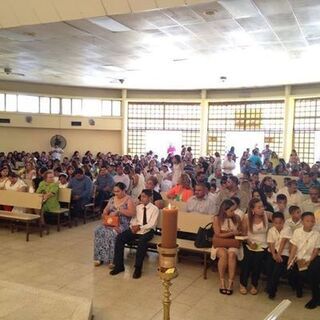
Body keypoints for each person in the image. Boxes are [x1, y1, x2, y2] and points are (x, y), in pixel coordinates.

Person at [111, 189, 159, 278]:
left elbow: (152, 224)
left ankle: (138, 268)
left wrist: (140, 227)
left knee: (142, 242)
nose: (141, 198)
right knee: (120, 238)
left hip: (148, 230)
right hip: (136, 229)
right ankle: (119, 266)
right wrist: (133, 227)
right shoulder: (138, 207)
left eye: (144, 196)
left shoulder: (154, 209)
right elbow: (133, 219)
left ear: (149, 198)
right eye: (141, 196)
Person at [93, 182, 136, 267]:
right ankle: (100, 257)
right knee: (98, 230)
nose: (116, 193)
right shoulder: (112, 199)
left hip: (123, 223)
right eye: (115, 191)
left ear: (124, 190)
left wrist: (120, 211)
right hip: (111, 221)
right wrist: (105, 213)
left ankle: (113, 259)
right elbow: (106, 210)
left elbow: (132, 213)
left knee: (112, 233)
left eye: (118, 191)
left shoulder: (129, 200)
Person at [288, 212, 320, 308]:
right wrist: (290, 259)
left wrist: (310, 260)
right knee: (291, 271)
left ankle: (316, 298)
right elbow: (294, 247)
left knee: (313, 271)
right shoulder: (297, 232)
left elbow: (316, 249)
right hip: (299, 257)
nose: (310, 223)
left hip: (313, 257)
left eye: (312, 221)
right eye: (307, 221)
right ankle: (298, 289)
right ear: (302, 222)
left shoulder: (316, 234)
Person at [212, 199, 242, 295]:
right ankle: (222, 282)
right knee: (223, 255)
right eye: (231, 211)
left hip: (232, 242)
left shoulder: (237, 218)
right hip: (221, 242)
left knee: (232, 255)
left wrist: (238, 233)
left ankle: (230, 282)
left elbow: (240, 231)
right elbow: (218, 234)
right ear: (224, 210)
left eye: (234, 210)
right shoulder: (217, 218)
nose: (233, 213)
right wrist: (231, 232)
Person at [240, 198, 269, 295]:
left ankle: (254, 284)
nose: (262, 209)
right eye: (259, 207)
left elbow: (278, 219)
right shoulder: (246, 217)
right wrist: (249, 243)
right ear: (252, 209)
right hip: (250, 242)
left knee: (258, 261)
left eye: (262, 206)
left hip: (263, 244)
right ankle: (243, 284)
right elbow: (243, 234)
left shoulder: (266, 215)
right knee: (247, 259)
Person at [266, 212, 290, 299]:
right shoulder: (271, 230)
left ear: (283, 221)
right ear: (273, 222)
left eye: (280, 223)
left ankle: (272, 290)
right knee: (269, 267)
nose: (278, 225)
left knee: (277, 268)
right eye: (276, 223)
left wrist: (278, 255)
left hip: (284, 253)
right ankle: (270, 285)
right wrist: (273, 254)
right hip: (273, 252)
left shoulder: (287, 229)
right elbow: (271, 243)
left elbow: (283, 242)